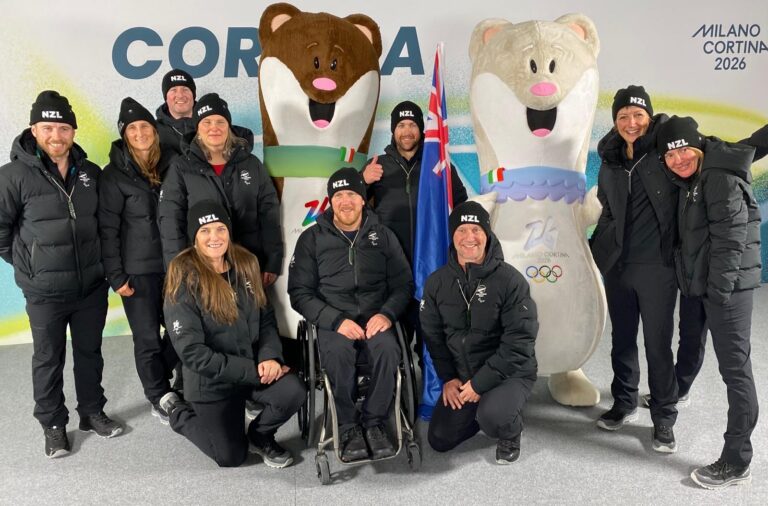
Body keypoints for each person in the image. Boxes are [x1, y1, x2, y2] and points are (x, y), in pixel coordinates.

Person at [0, 90, 122, 458]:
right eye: (48, 127)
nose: (57, 136)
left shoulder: (90, 173)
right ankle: (53, 424)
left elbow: (105, 225)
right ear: (34, 129)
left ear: (73, 130)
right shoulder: (12, 176)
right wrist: (31, 265)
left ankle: (92, 412)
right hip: (45, 291)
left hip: (90, 286)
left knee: (90, 352)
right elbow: (2, 233)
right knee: (48, 358)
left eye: (64, 128)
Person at [657, 116, 760, 489]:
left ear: (698, 146)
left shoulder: (717, 177)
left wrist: (717, 293)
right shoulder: (694, 179)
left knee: (735, 371)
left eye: (684, 150)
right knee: (706, 350)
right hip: (706, 287)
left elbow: (731, 242)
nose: (678, 159)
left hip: (726, 291)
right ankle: (680, 391)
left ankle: (736, 460)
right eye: (670, 155)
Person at [160, 201, 305, 468]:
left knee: (293, 391)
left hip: (251, 370)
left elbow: (265, 319)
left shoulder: (246, 262)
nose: (214, 237)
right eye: (205, 231)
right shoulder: (183, 277)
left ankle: (260, 436)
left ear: (229, 231)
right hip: (212, 383)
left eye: (220, 229)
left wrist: (270, 357)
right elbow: (193, 353)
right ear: (194, 238)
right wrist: (253, 370)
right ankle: (177, 410)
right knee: (230, 457)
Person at [288, 167, 413, 462]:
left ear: (363, 198)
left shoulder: (383, 235)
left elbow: (403, 284)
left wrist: (386, 314)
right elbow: (300, 293)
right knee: (338, 354)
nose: (346, 201)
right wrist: (335, 320)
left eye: (352, 194)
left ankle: (373, 422)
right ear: (331, 200)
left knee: (387, 350)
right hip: (333, 318)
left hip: (375, 316)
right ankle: (346, 425)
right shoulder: (312, 239)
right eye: (339, 195)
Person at [589, 85, 679, 452]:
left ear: (649, 117)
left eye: (638, 115)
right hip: (619, 267)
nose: (631, 123)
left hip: (657, 266)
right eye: (623, 116)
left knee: (658, 345)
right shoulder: (609, 160)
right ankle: (624, 402)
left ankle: (664, 417)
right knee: (622, 339)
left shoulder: (662, 152)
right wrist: (602, 246)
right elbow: (605, 205)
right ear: (614, 121)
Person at [419, 202, 538, 464]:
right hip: (464, 374)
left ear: (487, 234)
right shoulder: (436, 282)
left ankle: (510, 427)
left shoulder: (511, 281)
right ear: (452, 236)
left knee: (494, 417)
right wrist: (449, 378)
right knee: (439, 438)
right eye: (461, 230)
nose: (469, 237)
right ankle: (482, 411)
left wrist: (479, 384)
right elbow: (434, 337)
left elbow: (519, 344)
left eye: (476, 229)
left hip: (509, 372)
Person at [361, 101, 468, 360]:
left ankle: (430, 395)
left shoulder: (438, 165)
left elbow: (461, 205)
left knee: (430, 343)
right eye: (400, 125)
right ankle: (400, 394)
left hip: (430, 266)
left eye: (412, 125)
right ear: (393, 130)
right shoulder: (378, 165)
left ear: (421, 129)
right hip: (391, 269)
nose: (406, 131)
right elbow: (348, 207)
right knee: (394, 344)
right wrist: (363, 181)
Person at [98, 97, 179, 423]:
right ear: (124, 134)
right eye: (133, 128)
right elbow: (107, 229)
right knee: (146, 336)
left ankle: (163, 378)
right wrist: (116, 276)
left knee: (180, 331)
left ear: (155, 131)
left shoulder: (173, 164)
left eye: (145, 125)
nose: (140, 132)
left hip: (174, 267)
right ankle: (158, 394)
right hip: (138, 271)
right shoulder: (113, 175)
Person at [158, 92, 282, 288]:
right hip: (202, 267)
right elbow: (171, 221)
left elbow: (269, 214)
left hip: (248, 263)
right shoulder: (181, 168)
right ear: (197, 128)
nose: (214, 127)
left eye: (220, 122)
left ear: (229, 127)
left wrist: (273, 261)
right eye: (206, 122)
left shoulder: (251, 164)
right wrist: (178, 268)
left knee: (252, 317)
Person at [155, 69, 255, 156]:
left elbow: (241, 141)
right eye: (173, 90)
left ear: (193, 95)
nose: (180, 95)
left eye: (185, 89)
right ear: (166, 97)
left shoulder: (215, 120)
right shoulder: (154, 130)